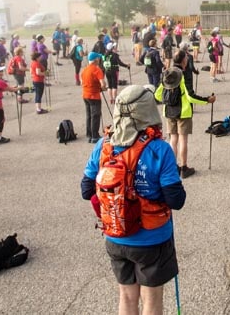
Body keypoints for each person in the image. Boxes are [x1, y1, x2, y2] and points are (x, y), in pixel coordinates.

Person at [80, 85, 185, 315]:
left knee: (127, 297)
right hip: (152, 238)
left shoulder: (104, 145)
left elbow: (86, 189)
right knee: (151, 300)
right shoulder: (160, 149)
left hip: (115, 235)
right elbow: (176, 200)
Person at [155, 61, 215, 178]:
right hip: (183, 112)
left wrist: (167, 101)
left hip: (169, 112)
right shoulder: (183, 75)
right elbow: (190, 97)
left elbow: (157, 94)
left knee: (173, 140)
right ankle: (184, 168)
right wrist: (207, 100)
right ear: (183, 61)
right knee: (183, 140)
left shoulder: (167, 75)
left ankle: (172, 167)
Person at [82, 52, 107, 143]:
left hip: (85, 94)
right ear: (96, 60)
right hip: (94, 95)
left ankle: (89, 134)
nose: (99, 60)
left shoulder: (85, 69)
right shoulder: (97, 69)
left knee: (89, 115)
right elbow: (102, 83)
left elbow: (82, 82)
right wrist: (103, 88)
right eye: (98, 58)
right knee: (95, 115)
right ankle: (95, 136)